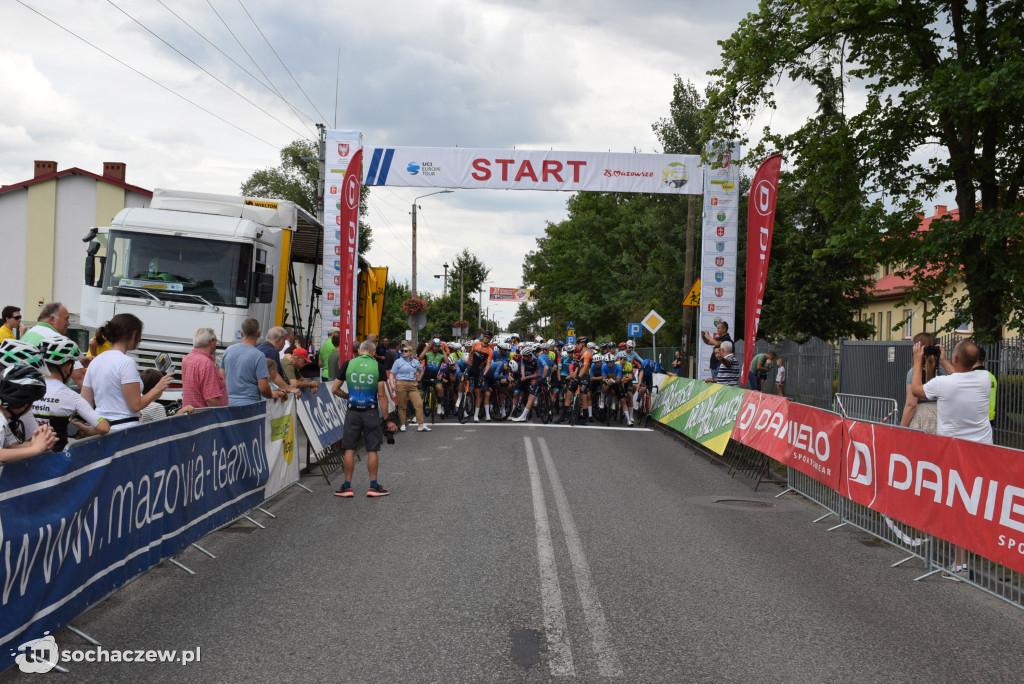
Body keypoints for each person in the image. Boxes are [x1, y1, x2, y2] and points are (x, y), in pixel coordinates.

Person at [911, 338, 992, 578]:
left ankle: (961, 564)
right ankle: (969, 555)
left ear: (957, 360)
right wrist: (946, 360)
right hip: (983, 453)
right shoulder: (984, 379)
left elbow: (917, 390)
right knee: (974, 504)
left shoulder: (942, 384)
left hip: (955, 454)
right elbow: (960, 375)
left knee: (959, 507)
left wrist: (918, 361)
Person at [81, 314, 171, 431]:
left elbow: (84, 404)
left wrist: (100, 422)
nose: (140, 339)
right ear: (130, 334)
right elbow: (135, 405)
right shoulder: (126, 362)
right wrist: (157, 388)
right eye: (138, 335)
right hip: (124, 430)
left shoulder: (95, 361)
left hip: (101, 429)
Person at [330, 340, 398, 497]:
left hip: (353, 411)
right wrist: (387, 418)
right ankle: (373, 487)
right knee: (372, 448)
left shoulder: (348, 364)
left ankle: (347, 487)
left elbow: (334, 389)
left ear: (359, 351)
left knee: (349, 448)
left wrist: (348, 396)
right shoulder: (378, 367)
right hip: (370, 411)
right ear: (373, 353)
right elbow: (381, 395)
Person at [33, 336, 109, 450]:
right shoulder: (72, 397)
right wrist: (88, 431)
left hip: (26, 458)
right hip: (57, 459)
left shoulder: (28, 389)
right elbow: (104, 427)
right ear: (68, 367)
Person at [221, 318, 286, 406]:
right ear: (259, 333)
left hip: (228, 402)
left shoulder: (228, 350)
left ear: (242, 333)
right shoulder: (258, 356)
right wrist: (271, 394)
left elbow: (221, 378)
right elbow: (263, 388)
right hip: (250, 405)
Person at [1, 365, 58, 463]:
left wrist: (40, 441)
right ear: (24, 404)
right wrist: (35, 449)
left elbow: (13, 447)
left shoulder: (4, 417)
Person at [900, 332, 947, 433]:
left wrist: (901, 428)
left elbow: (911, 404)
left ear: (918, 348)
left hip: (922, 417)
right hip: (942, 416)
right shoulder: (943, 370)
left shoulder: (913, 372)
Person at [181, 328, 228, 408]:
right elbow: (211, 399)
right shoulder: (206, 363)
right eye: (216, 341)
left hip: (189, 413)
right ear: (211, 342)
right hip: (204, 416)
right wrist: (222, 415)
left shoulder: (187, 359)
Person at [391, 343, 430, 431]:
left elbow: (421, 370)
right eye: (402, 351)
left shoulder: (415, 361)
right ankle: (403, 424)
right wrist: (392, 384)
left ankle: (421, 425)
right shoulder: (398, 361)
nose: (403, 352)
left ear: (410, 352)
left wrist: (418, 379)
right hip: (401, 383)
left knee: (419, 404)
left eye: (405, 351)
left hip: (413, 384)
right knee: (402, 406)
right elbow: (392, 374)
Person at [257, 327, 299, 397]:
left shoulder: (260, 347)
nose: (284, 344)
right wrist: (289, 388)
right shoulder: (272, 352)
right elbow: (274, 375)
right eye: (284, 340)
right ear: (279, 339)